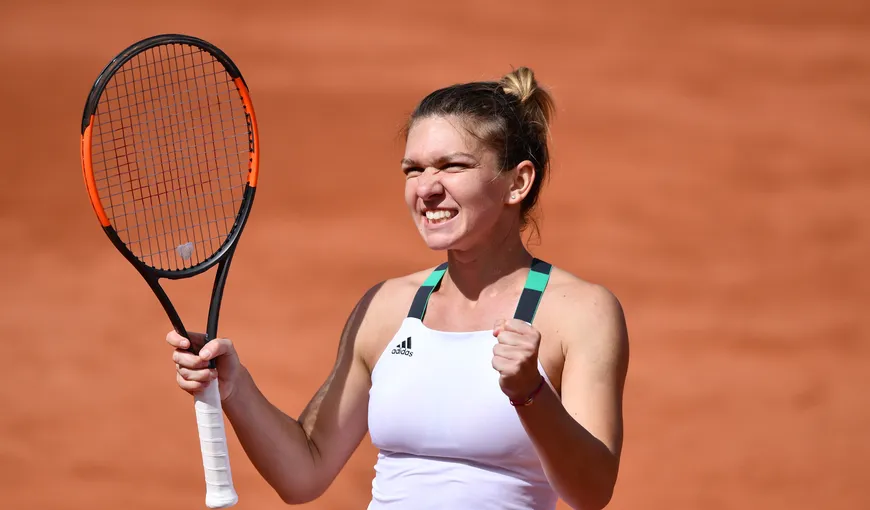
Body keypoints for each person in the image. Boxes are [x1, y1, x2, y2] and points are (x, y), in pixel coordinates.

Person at [168, 66, 630, 510]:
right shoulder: (386, 307)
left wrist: (531, 393)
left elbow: (592, 492)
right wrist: (235, 387)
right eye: (413, 169)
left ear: (517, 182)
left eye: (452, 166)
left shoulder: (579, 313)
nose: (426, 189)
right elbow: (304, 471)